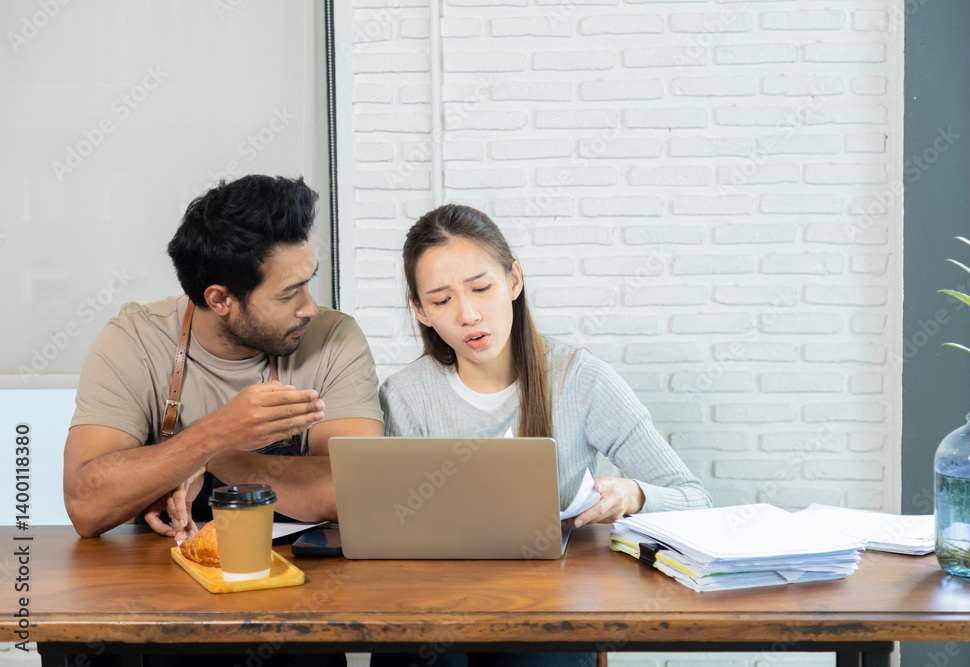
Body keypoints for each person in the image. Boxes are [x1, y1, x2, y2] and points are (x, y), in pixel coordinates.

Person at [374, 204, 712, 667]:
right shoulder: (405, 396)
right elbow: (389, 532)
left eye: (481, 288)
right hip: (437, 603)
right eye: (441, 299)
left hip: (547, 604)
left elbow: (694, 499)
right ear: (421, 311)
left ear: (513, 281)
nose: (468, 314)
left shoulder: (581, 380)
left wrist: (632, 494)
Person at [64, 174, 384, 541]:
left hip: (301, 574)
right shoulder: (135, 340)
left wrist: (216, 457)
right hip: (164, 574)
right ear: (219, 300)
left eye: (308, 281)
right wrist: (213, 434)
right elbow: (85, 507)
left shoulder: (335, 339)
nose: (309, 308)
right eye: (288, 294)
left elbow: (358, 493)